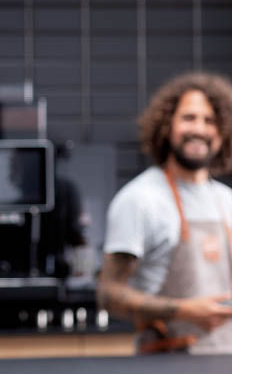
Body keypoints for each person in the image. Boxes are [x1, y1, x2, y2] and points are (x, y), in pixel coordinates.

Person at [97, 73, 232, 354]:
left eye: (210, 120)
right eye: (189, 118)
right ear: (166, 126)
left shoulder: (229, 201)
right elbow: (109, 294)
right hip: (166, 369)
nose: (200, 128)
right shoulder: (139, 200)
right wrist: (184, 310)